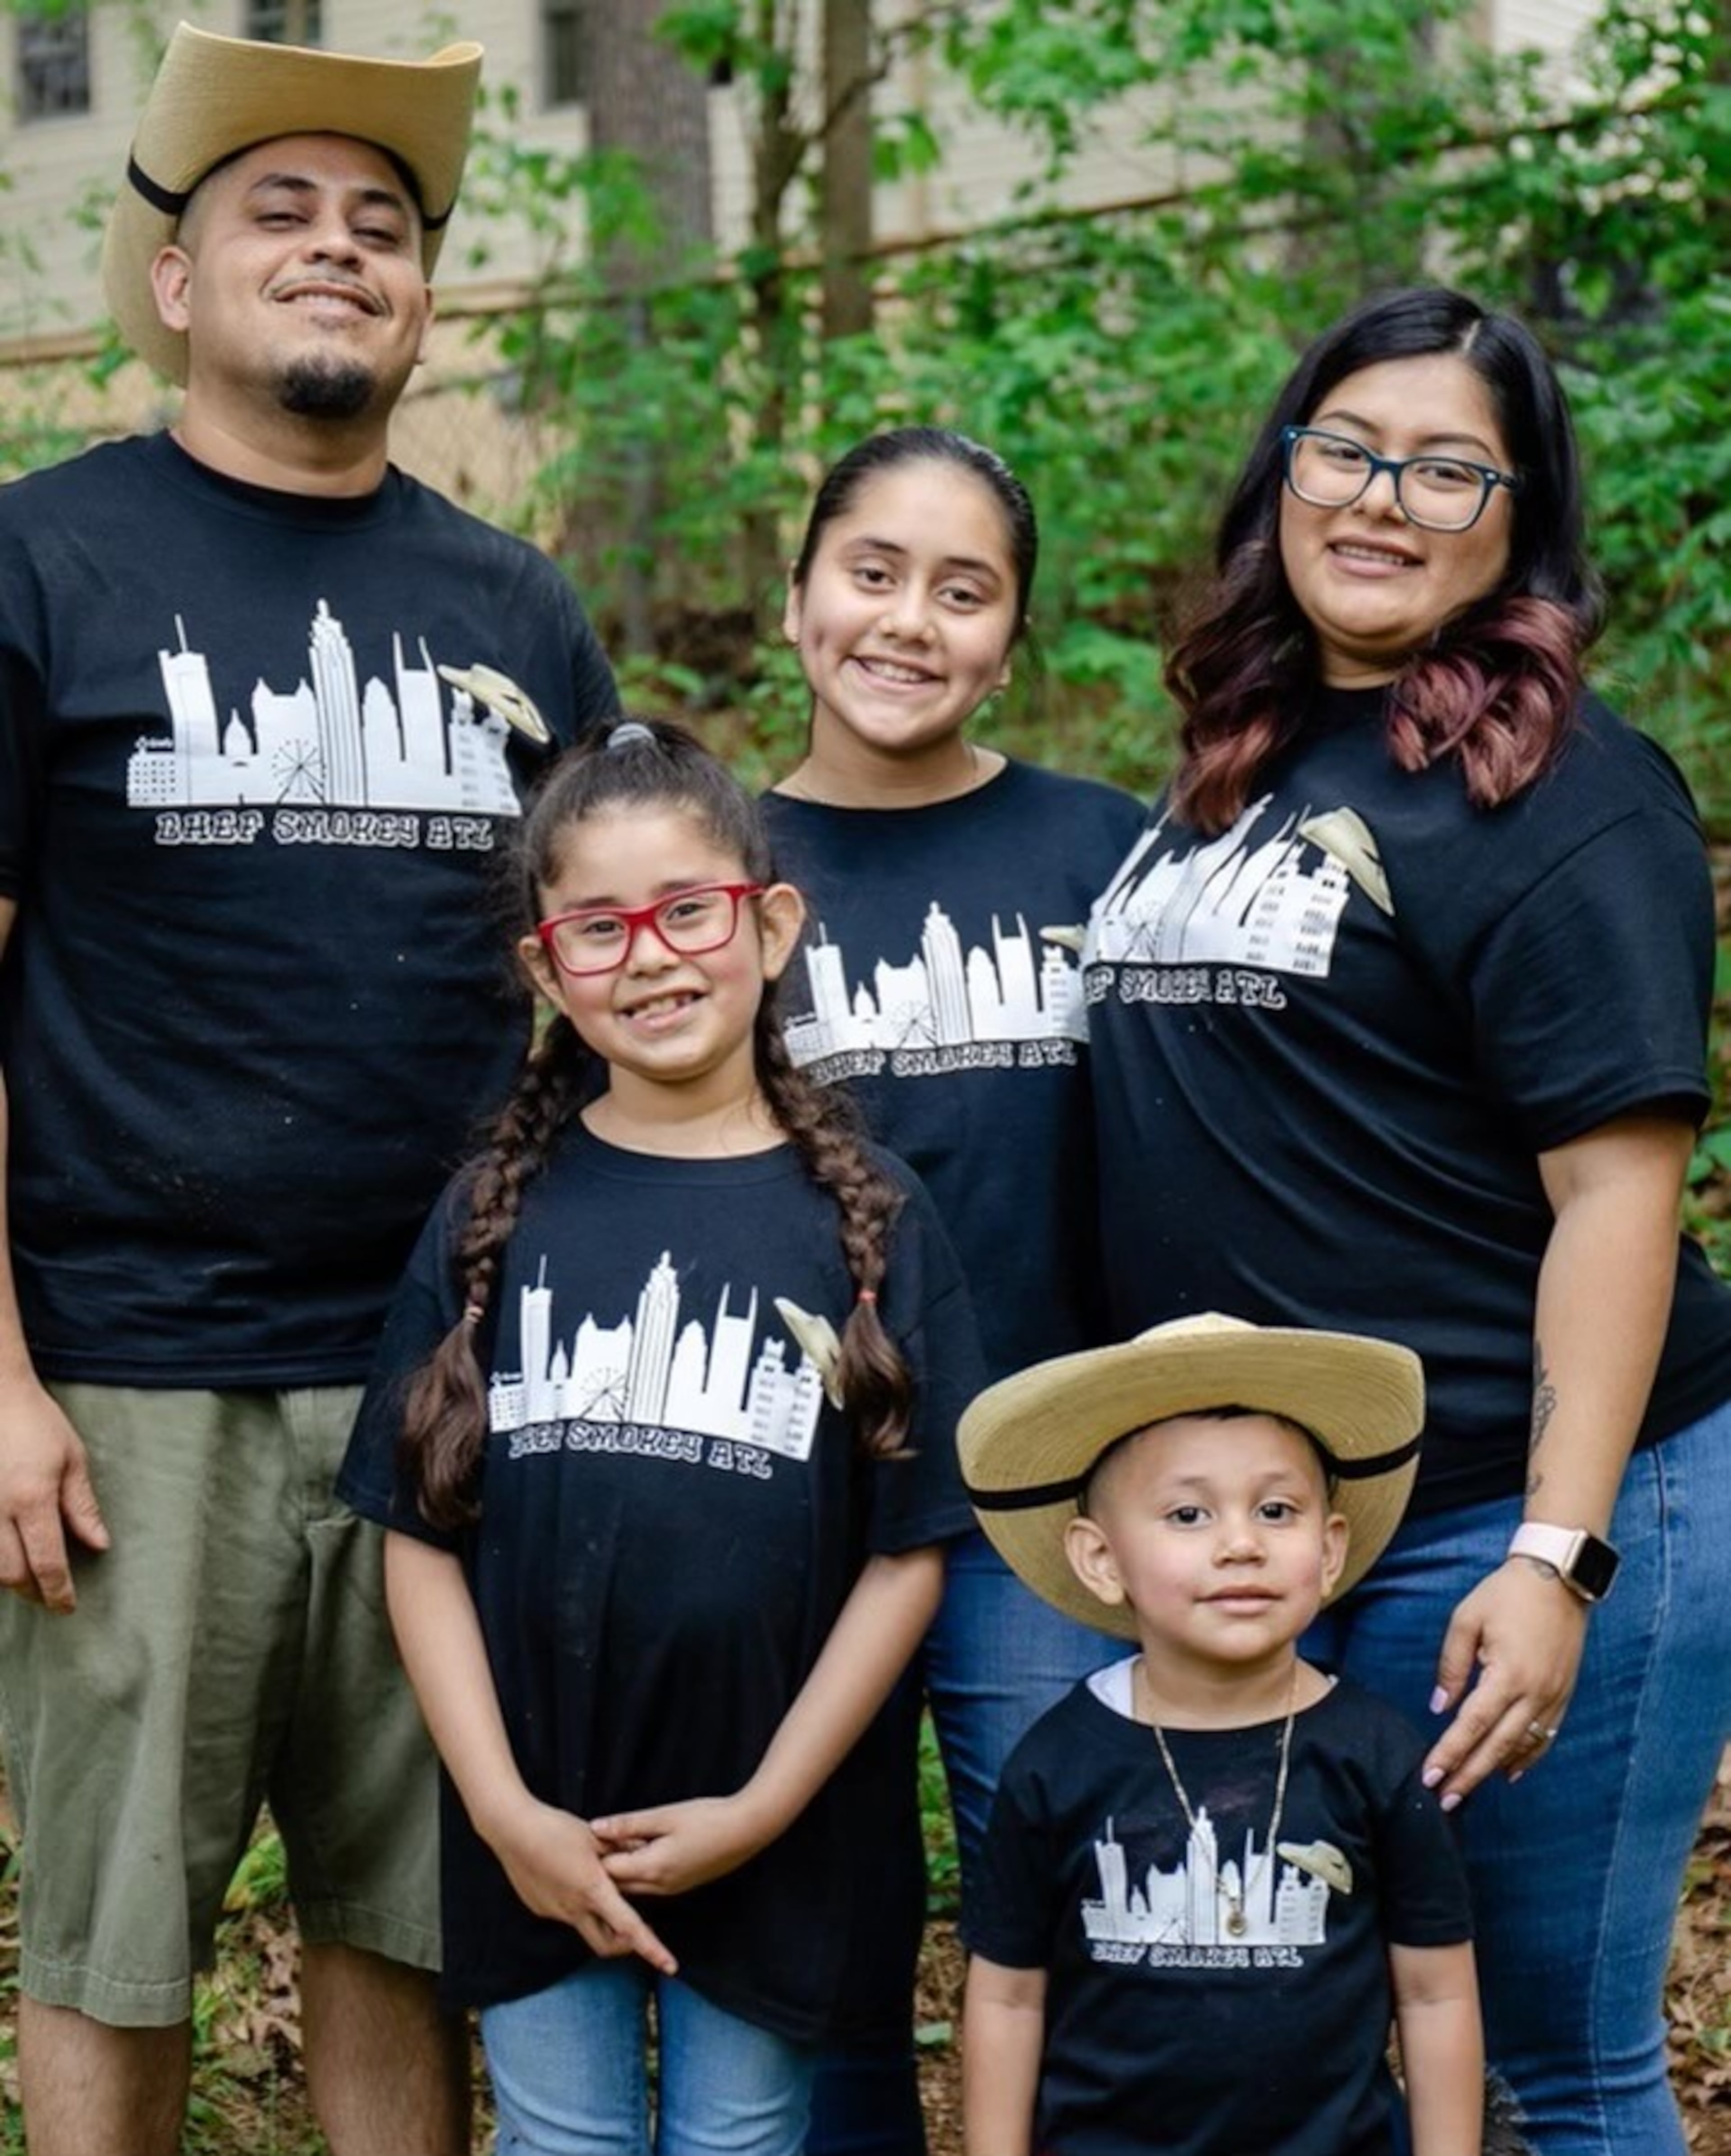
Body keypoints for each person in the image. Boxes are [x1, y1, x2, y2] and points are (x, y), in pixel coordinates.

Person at [0, 26, 618, 2156]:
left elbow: (612, 998)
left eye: (384, 227)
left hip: (439, 1370)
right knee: (113, 1928)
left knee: (407, 1918)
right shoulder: (41, 564)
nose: (340, 251)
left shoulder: (516, 607)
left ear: (423, 299)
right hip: (122, 1384)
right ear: (175, 283)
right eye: (281, 213)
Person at [1082, 285, 1731, 2153]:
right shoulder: (1243, 749)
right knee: (1340, 2051)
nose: (1382, 498)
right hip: (1293, 1527)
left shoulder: (1567, 795)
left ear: (1519, 518)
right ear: (1282, 470)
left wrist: (1558, 1554)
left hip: (1504, 1516)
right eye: (1347, 449)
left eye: (1447, 470)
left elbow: (1619, 1190)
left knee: (1551, 2053)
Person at [337, 720, 980, 2156]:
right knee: (564, 2137)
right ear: (545, 970)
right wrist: (504, 1813)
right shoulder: (499, 1218)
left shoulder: (868, 1222)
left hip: (776, 1821)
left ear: (771, 923)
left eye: (687, 911)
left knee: (741, 2136)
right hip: (536, 1814)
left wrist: (762, 1807)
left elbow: (907, 1557)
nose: (650, 956)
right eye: (599, 928)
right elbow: (417, 1543)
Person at [763, 426, 1146, 2151]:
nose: (910, 621)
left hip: (1045, 1492)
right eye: (873, 570)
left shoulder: (1111, 856)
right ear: (799, 599)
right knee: (822, 1945)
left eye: (964, 588)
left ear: (1013, 634)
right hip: (796, 1496)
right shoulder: (713, 871)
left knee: (1070, 1911)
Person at [957, 1311, 1481, 2156]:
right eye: (1189, 1517)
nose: (1241, 1544)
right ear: (1102, 1559)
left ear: (1331, 1547)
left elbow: (1435, 1994)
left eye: (1276, 1510)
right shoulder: (1057, 1761)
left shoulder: (1377, 1757)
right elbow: (1009, 1995)